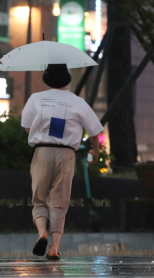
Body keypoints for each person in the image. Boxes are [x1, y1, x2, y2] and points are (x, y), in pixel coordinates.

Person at [21, 64, 103, 260]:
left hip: (41, 151)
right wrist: (95, 152)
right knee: (59, 201)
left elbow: (26, 127)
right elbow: (94, 132)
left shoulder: (36, 98)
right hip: (66, 154)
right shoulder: (78, 102)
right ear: (67, 80)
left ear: (46, 79)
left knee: (39, 198)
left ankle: (42, 233)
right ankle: (54, 248)